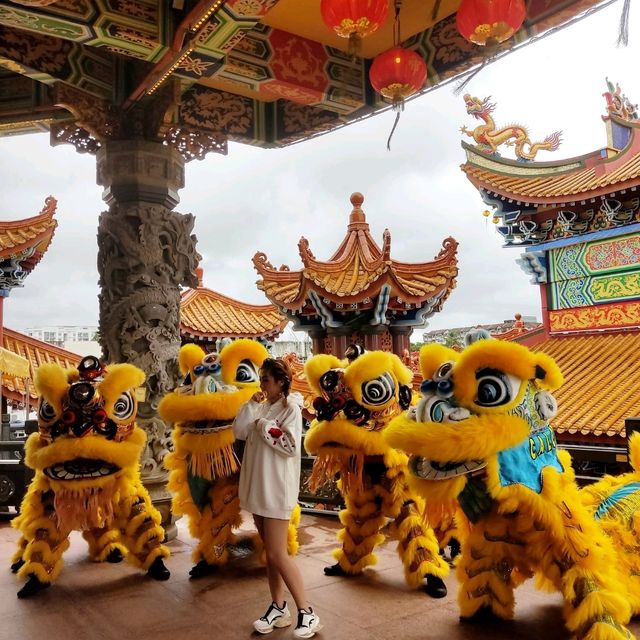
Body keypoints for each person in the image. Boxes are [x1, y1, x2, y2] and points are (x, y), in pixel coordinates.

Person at [233, 357, 321, 638]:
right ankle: (278, 607)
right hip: (259, 488)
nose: (262, 384)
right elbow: (240, 431)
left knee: (277, 553)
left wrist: (263, 425)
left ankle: (307, 612)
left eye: (266, 379)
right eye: (261, 379)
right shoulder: (262, 406)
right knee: (270, 555)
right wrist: (251, 407)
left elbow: (290, 445)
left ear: (281, 382)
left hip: (276, 489)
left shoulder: (291, 409)